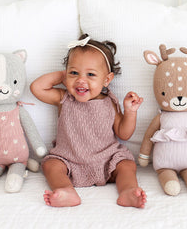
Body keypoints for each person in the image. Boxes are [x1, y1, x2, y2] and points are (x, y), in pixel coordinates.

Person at [30, 34, 147, 208]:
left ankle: (128, 191)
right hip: (69, 160)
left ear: (106, 80)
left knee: (127, 165)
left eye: (90, 74)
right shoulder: (64, 98)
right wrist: (65, 75)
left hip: (107, 160)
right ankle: (65, 190)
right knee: (50, 165)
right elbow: (37, 87)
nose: (81, 80)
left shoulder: (110, 103)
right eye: (74, 73)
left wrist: (130, 112)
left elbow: (124, 133)